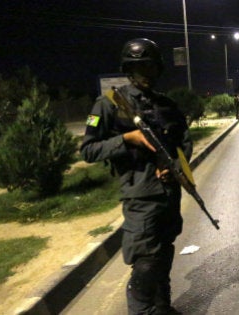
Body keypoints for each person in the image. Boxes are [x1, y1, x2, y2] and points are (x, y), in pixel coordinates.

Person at [80, 38, 191, 314]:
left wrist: (174, 164)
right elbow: (89, 150)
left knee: (164, 253)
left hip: (168, 194)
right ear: (128, 69)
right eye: (138, 68)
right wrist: (128, 139)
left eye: (150, 68)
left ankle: (163, 307)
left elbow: (184, 142)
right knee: (145, 262)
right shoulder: (108, 104)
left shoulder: (167, 105)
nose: (145, 74)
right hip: (141, 197)